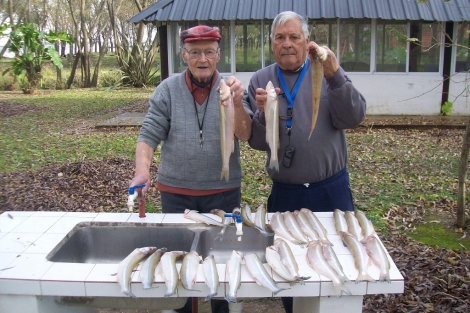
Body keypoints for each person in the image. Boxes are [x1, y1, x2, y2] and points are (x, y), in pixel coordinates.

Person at [244, 11, 366, 313]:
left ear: (307, 41)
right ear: (272, 44)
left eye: (294, 37)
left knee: (339, 256)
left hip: (331, 189)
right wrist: (262, 114)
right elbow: (258, 142)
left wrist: (335, 73)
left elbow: (355, 117)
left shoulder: (325, 71)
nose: (287, 43)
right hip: (286, 193)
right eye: (280, 37)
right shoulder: (261, 80)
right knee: (289, 263)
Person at [129, 25, 252, 313]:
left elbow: (245, 134)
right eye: (195, 52)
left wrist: (236, 103)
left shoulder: (230, 88)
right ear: (184, 55)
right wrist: (142, 170)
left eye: (209, 51)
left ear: (218, 55)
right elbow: (148, 134)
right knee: (179, 262)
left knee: (222, 263)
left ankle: (222, 307)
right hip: (176, 194)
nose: (202, 58)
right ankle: (184, 307)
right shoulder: (167, 90)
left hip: (223, 193)